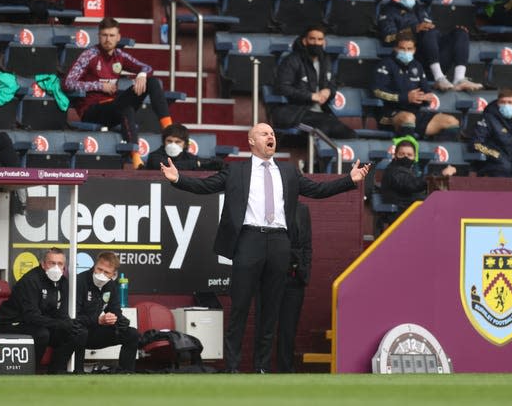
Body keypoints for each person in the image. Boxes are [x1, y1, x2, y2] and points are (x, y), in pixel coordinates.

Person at [160, 122, 370, 373]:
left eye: (272, 133)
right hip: (249, 240)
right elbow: (206, 186)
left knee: (270, 309)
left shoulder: (289, 172)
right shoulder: (236, 171)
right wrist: (178, 180)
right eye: (264, 133)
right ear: (251, 141)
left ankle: (261, 368)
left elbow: (317, 190)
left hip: (280, 242)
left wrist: (349, 180)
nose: (271, 136)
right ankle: (233, 368)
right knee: (239, 308)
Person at [63, 17, 174, 170]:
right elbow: (68, 82)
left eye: (112, 35)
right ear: (99, 36)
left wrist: (141, 75)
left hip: (114, 106)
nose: (108, 39)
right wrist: (99, 85)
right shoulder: (89, 55)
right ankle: (136, 161)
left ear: (118, 37)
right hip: (92, 110)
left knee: (152, 82)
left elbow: (147, 68)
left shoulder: (119, 56)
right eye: (104, 35)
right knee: (125, 107)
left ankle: (169, 130)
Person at [377, 0, 483, 91]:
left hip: (432, 57)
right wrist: (413, 29)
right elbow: (387, 38)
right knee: (428, 32)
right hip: (412, 60)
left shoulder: (421, 9)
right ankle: (439, 78)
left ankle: (459, 79)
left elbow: (433, 35)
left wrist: (451, 37)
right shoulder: (389, 10)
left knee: (460, 33)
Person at [0, 248, 80, 374]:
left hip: (38, 324)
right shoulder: (30, 281)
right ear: (43, 264)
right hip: (11, 324)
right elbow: (31, 316)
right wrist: (59, 324)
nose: (56, 267)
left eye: (60, 264)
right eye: (51, 263)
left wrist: (68, 323)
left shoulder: (63, 283)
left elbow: (60, 313)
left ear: (64, 267)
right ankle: (32, 372)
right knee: (42, 334)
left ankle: (56, 372)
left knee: (75, 332)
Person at [271, 25, 357, 139]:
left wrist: (329, 91)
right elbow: (282, 88)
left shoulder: (326, 60)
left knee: (349, 134)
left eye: (320, 39)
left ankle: (334, 157)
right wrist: (311, 96)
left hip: (322, 114)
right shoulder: (292, 60)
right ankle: (316, 157)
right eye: (312, 39)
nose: (316, 43)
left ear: (324, 42)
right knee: (323, 130)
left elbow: (333, 82)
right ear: (305, 41)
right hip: (296, 114)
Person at [372, 32, 460, 139]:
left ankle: (434, 152)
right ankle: (407, 153)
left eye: (409, 49)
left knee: (451, 122)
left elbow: (426, 91)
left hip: (415, 113)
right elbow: (377, 91)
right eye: (402, 48)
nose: (406, 52)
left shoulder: (417, 66)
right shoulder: (386, 64)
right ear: (395, 48)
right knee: (408, 118)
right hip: (390, 114)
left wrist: (426, 97)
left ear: (414, 50)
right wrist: (405, 97)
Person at [74, 251, 139, 373]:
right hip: (77, 332)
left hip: (96, 332)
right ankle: (78, 372)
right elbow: (73, 317)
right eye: (99, 269)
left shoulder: (110, 286)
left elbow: (115, 311)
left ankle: (125, 373)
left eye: (106, 272)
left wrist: (120, 321)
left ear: (113, 275)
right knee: (80, 332)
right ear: (94, 266)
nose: (101, 274)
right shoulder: (79, 281)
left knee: (132, 334)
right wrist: (97, 320)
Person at [381, 136, 456, 224]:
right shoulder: (393, 171)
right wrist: (441, 174)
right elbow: (412, 185)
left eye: (409, 155)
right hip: (400, 215)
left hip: (412, 211)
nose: (406, 157)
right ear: (395, 155)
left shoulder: (409, 171)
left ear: (415, 157)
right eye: (402, 154)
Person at [275, 202, 313, 373]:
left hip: (294, 279)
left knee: (288, 330)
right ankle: (261, 369)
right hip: (270, 278)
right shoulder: (266, 206)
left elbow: (307, 245)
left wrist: (304, 272)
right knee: (265, 327)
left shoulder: (302, 210)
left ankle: (286, 371)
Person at [472, 87, 512, 177]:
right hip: (493, 168)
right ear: (498, 103)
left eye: (510, 102)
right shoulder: (488, 118)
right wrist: (496, 155)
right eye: (502, 102)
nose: (506, 105)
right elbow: (476, 144)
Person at [145, 122, 223, 171]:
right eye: (169, 141)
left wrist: (206, 163)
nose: (173, 144)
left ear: (185, 144)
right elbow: (168, 167)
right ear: (164, 141)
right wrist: (196, 164)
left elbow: (217, 163)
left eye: (178, 142)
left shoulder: (189, 157)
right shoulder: (154, 156)